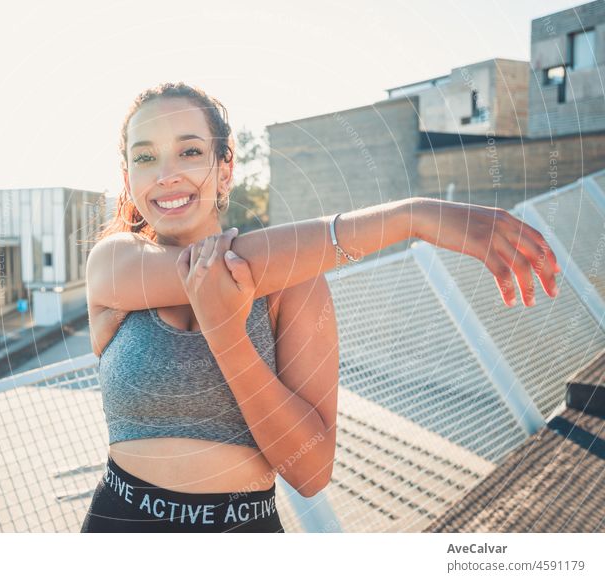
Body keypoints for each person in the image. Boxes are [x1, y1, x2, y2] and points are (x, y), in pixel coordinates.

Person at [80, 82, 561, 533]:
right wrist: (409, 217)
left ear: (224, 167)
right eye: (145, 157)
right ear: (128, 177)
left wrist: (228, 336)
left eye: (189, 151)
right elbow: (212, 269)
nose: (167, 174)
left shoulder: (295, 284)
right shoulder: (114, 262)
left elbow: (310, 472)